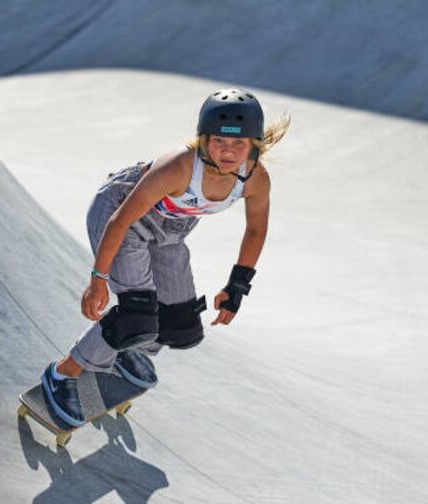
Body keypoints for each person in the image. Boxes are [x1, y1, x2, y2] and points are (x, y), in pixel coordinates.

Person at [42, 88, 289, 426]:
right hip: (121, 216)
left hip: (169, 233)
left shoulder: (255, 180)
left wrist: (236, 289)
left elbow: (256, 230)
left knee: (180, 326)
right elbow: (120, 220)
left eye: (238, 145)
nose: (228, 152)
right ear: (203, 140)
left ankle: (128, 354)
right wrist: (97, 280)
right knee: (137, 316)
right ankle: (62, 375)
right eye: (219, 141)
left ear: (254, 146)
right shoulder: (178, 167)